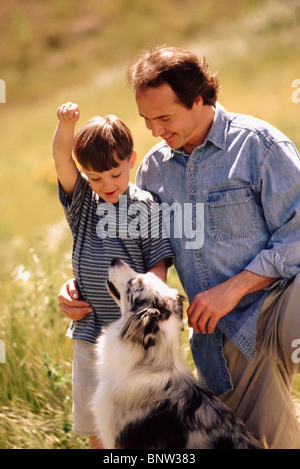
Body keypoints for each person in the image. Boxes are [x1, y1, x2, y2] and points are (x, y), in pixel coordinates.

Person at [58, 47, 300, 448]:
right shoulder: (152, 169)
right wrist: (80, 283)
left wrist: (235, 287)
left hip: (286, 301)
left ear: (199, 99)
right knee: (267, 443)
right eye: (146, 120)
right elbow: (126, 246)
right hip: (229, 336)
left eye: (164, 117)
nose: (154, 130)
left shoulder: (260, 146)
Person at [52, 102, 173, 448]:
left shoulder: (146, 206)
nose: (106, 184)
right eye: (95, 177)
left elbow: (157, 267)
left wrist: (149, 310)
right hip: (91, 332)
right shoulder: (83, 202)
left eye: (115, 174)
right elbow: (62, 158)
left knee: (140, 426)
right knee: (98, 427)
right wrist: (65, 125)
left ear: (131, 159)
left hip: (135, 338)